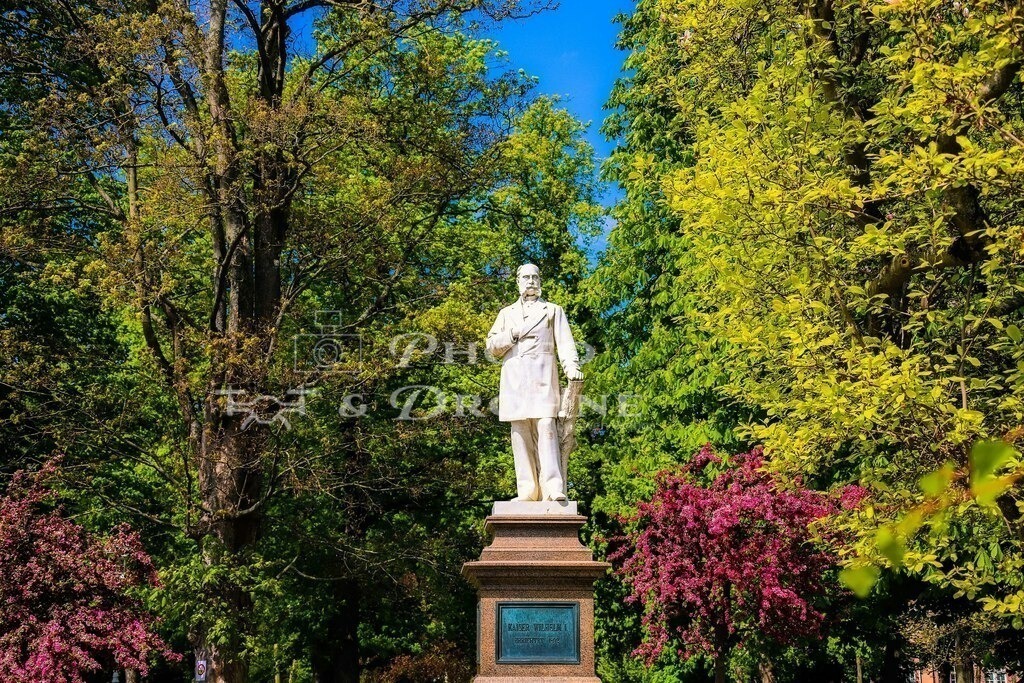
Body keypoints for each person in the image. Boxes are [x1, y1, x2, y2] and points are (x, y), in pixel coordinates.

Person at [486, 264, 583, 501]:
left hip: (542, 377)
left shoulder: (552, 310)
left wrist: (572, 366)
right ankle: (527, 490)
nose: (530, 281)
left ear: (540, 281)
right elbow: (491, 347)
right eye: (526, 277)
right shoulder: (506, 313)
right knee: (519, 434)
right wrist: (512, 334)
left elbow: (566, 342)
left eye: (534, 277)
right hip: (514, 380)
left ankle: (552, 487)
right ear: (518, 281)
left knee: (547, 427)